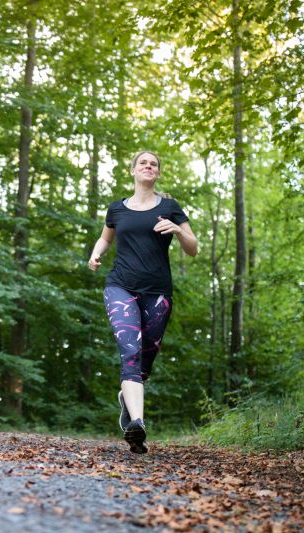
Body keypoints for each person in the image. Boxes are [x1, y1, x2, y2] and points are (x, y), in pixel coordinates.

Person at [88, 151, 198, 453]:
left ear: (157, 173)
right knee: (131, 351)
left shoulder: (170, 207)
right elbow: (105, 239)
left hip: (158, 292)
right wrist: (96, 254)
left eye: (154, 164)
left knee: (144, 361)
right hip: (120, 286)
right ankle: (137, 424)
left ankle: (127, 399)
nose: (148, 167)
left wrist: (177, 230)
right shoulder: (117, 209)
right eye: (143, 163)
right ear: (133, 170)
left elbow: (193, 249)